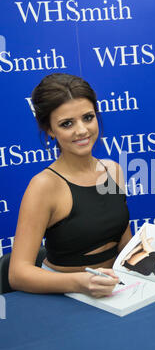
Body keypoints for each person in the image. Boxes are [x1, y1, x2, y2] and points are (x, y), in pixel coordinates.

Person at [9, 73, 132, 298]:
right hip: (64, 298)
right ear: (49, 130)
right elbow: (17, 274)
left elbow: (124, 246)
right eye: (67, 124)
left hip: (116, 292)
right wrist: (79, 283)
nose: (82, 130)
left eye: (87, 117)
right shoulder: (43, 186)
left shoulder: (113, 169)